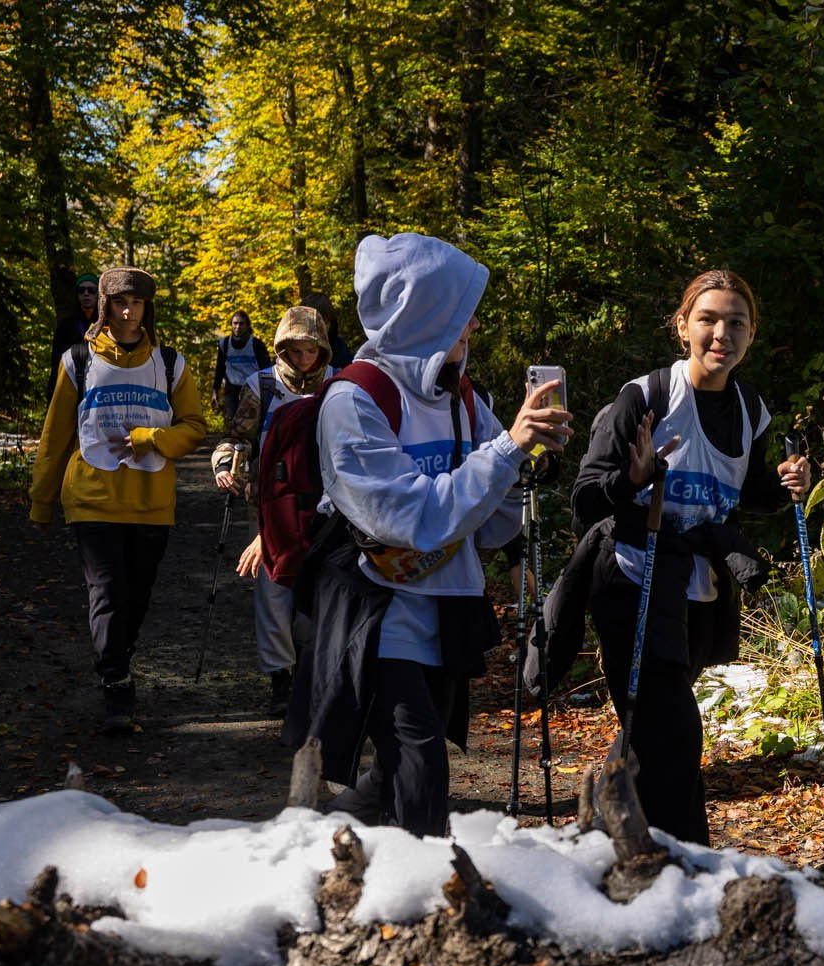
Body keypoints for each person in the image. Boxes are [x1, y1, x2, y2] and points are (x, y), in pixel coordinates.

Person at [286, 233, 571, 837]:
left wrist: (525, 464)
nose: (471, 326)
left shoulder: (461, 394)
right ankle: (418, 904)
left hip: (445, 607)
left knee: (400, 770)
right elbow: (414, 519)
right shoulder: (354, 400)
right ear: (425, 314)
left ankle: (320, 846)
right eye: (460, 311)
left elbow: (487, 525)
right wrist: (505, 451)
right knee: (421, 763)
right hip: (375, 610)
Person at [562, 270, 809, 846]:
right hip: (634, 581)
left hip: (701, 589)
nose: (722, 333)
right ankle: (687, 870)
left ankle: (604, 836)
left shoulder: (751, 409)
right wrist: (634, 477)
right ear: (682, 326)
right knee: (674, 734)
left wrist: (787, 483)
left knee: (650, 731)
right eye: (708, 319)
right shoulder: (646, 397)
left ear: (752, 336)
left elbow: (748, 494)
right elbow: (585, 496)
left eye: (737, 323)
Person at [28, 267, 208, 734]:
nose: (129, 313)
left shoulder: (171, 365)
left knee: (137, 594)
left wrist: (153, 438)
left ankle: (118, 660)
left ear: (149, 309)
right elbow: (55, 436)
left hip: (151, 501)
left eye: (138, 304)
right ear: (104, 307)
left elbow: (194, 428)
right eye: (120, 303)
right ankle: (116, 685)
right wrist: (41, 500)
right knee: (105, 591)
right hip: (91, 497)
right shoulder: (77, 360)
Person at [216, 306, 335, 716]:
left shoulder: (338, 385)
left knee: (319, 592)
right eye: (294, 351)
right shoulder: (262, 386)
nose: (303, 360)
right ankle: (280, 679)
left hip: (327, 510)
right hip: (267, 506)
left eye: (310, 351)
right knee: (273, 593)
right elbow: (236, 438)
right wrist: (224, 465)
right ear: (280, 348)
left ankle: (310, 671)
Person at [46, 272, 100, 401]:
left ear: (99, 295)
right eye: (81, 290)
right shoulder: (66, 325)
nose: (86, 294)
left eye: (91, 290)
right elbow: (56, 363)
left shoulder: (108, 324)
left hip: (98, 386)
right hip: (71, 385)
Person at [214, 310, 271, 410]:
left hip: (252, 390)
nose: (238, 327)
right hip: (231, 391)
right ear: (231, 324)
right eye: (235, 323)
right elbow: (220, 369)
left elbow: (266, 369)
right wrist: (215, 391)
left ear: (247, 325)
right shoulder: (225, 344)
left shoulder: (257, 345)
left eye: (241, 323)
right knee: (232, 422)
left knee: (250, 423)